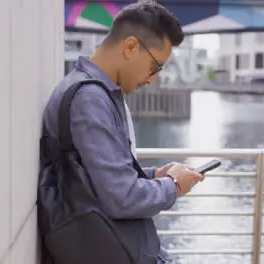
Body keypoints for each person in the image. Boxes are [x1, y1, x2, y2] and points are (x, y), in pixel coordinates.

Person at [40, 1, 204, 263]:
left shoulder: (91, 91)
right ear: (130, 47)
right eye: (155, 67)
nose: (152, 79)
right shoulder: (90, 98)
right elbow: (123, 198)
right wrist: (173, 186)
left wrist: (154, 176)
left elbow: (96, 178)